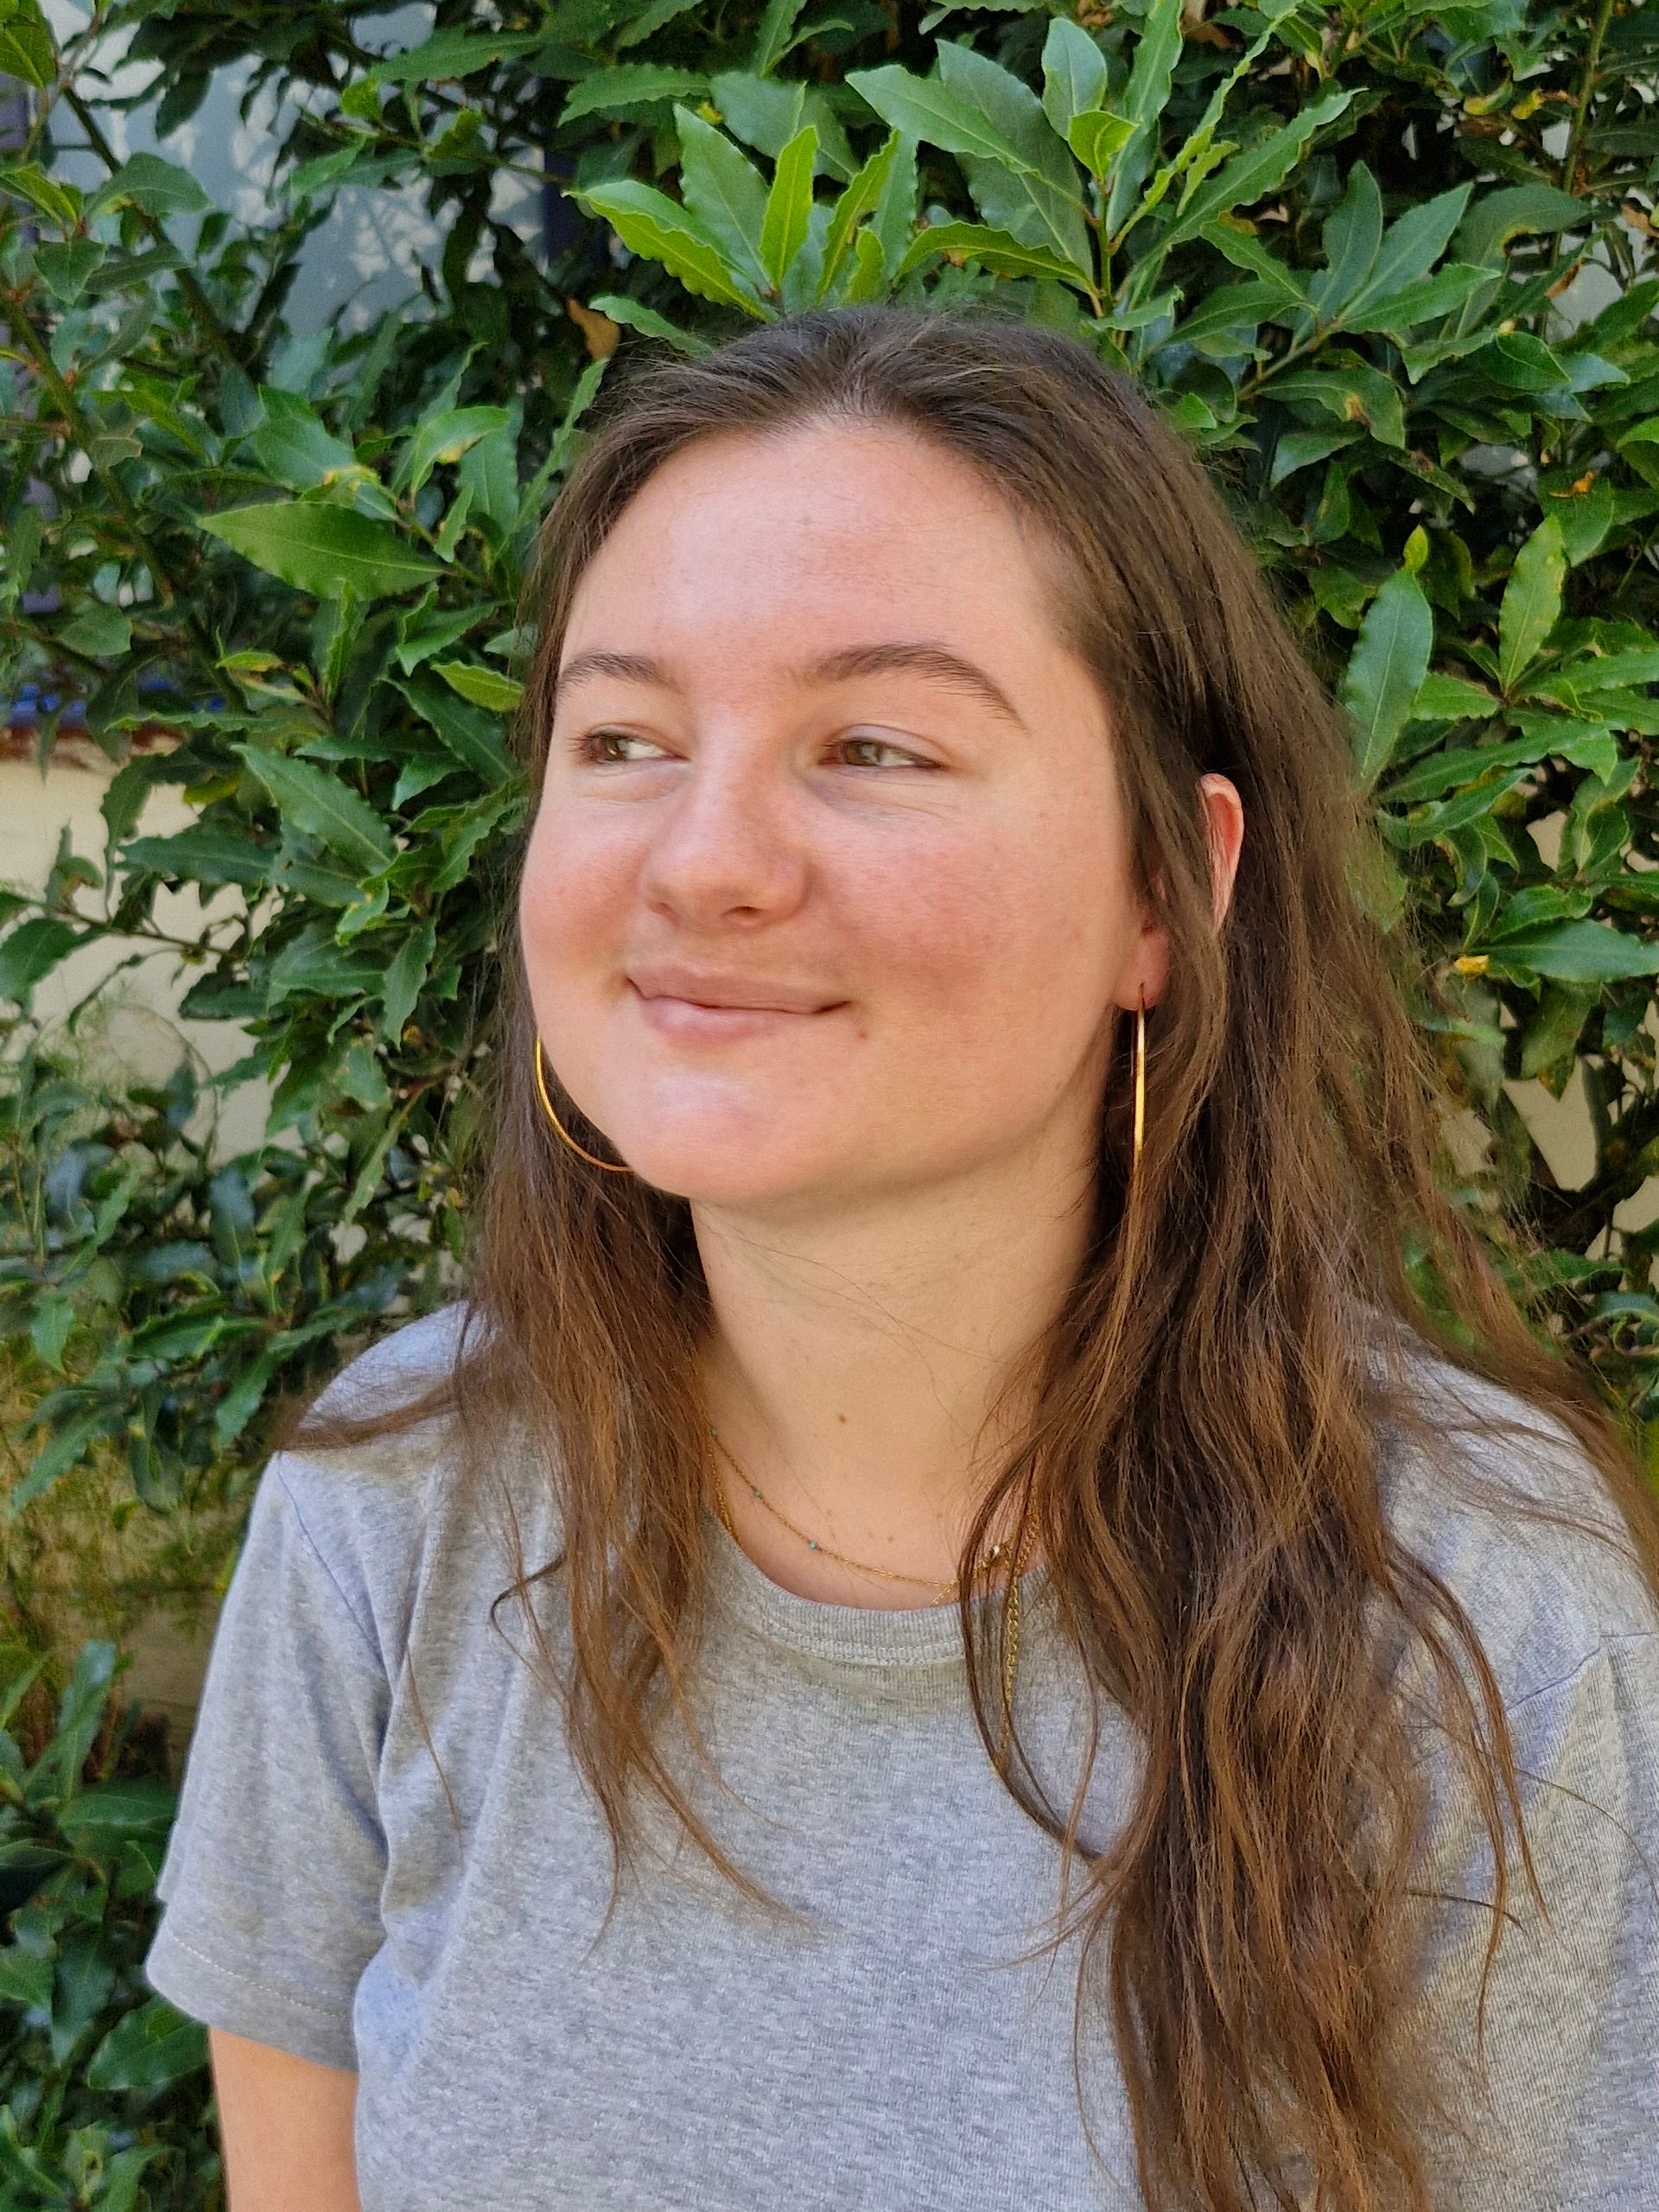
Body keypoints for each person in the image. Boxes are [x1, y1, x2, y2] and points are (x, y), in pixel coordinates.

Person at [143, 302, 1659, 2212]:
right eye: (622, 738)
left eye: (873, 744)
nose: (703, 860)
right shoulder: (393, 1510)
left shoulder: (1472, 1620)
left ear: (1170, 889)